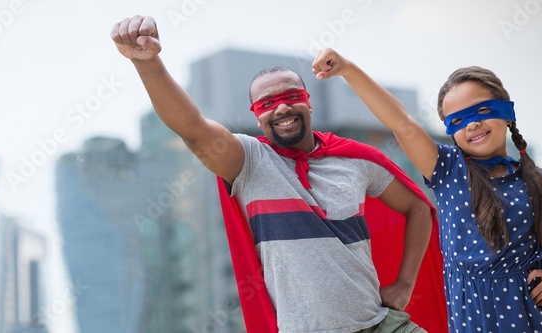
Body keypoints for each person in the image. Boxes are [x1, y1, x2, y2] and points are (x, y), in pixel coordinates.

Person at [111, 15, 447, 333]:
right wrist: (147, 62)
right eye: (267, 103)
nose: (281, 107)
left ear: (308, 103)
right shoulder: (249, 161)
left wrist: (404, 284)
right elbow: (193, 128)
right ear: (256, 117)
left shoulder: (357, 158)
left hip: (380, 325)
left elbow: (418, 208)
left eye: (291, 96)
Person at [310, 49, 542, 332]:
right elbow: (402, 123)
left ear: (507, 112)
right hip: (474, 321)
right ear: (451, 129)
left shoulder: (539, 180)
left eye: (481, 110)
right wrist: (348, 70)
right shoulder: (446, 169)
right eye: (459, 119)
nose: (473, 123)